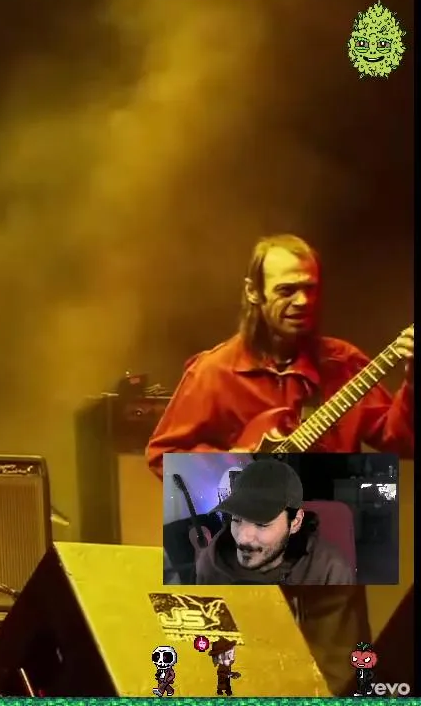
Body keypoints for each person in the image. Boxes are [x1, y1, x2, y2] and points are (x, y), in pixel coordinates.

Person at [145, 234, 414, 694]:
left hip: (329, 539)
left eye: (310, 288)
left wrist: (412, 381)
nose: (302, 301)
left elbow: (401, 439)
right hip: (245, 548)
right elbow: (163, 453)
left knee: (344, 677)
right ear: (254, 292)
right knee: (242, 674)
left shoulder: (342, 363)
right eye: (287, 289)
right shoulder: (215, 372)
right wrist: (240, 477)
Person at [196, 458, 354, 586]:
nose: (243, 538)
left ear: (295, 522)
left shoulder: (329, 571)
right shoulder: (211, 562)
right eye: (237, 519)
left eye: (261, 523)